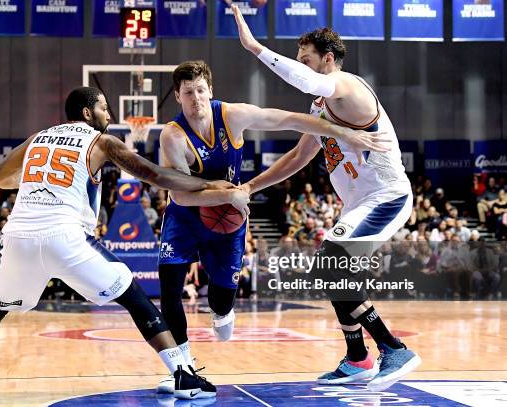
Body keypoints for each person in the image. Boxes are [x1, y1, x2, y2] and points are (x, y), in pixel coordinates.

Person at [0, 87, 241, 401]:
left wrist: (38, 179)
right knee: (134, 297)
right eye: (104, 109)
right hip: (65, 236)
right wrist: (208, 184)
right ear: (87, 113)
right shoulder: (102, 141)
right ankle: (182, 374)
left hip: (18, 237)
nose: (109, 115)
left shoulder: (37, 138)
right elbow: (155, 175)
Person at [155, 60, 390, 394]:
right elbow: (180, 197)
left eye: (201, 90)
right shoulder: (173, 136)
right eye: (188, 93)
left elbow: (290, 119)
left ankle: (222, 310)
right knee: (169, 289)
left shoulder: (233, 115)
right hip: (187, 217)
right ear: (178, 97)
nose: (196, 98)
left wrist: (344, 132)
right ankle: (182, 366)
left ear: (211, 90)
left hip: (228, 222)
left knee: (221, 302)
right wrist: (226, 194)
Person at [232, 4, 420, 391]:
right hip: (360, 203)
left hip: (387, 197)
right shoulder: (321, 107)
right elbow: (299, 157)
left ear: (328, 59)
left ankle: (393, 348)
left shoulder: (347, 86)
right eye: (298, 59)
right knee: (332, 273)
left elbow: (307, 81)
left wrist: (254, 47)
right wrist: (251, 187)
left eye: (306, 59)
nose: (300, 65)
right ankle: (357, 357)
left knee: (331, 265)